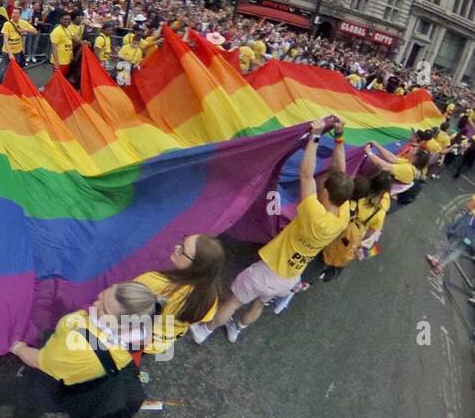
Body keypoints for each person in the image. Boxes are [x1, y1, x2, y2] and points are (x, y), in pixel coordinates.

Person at [191, 118, 351, 342]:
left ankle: (204, 331)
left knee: (234, 301)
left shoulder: (314, 214)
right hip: (289, 277)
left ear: (325, 193)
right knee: (258, 304)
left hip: (268, 271)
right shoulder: (343, 215)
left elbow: (306, 175)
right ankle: (236, 329)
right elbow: (340, 172)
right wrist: (339, 136)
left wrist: (315, 136)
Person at [0, 282, 157, 418]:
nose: (97, 302)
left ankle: (6, 406)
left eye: (104, 309)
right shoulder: (140, 329)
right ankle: (24, 416)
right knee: (42, 401)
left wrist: (16, 346)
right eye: (105, 294)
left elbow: (39, 361)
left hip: (54, 381)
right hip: (80, 381)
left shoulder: (80, 347)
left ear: (122, 325)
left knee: (28, 394)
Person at [134, 234, 225, 355]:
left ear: (196, 266)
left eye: (182, 249)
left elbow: (124, 298)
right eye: (182, 241)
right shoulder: (211, 298)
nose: (177, 247)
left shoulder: (154, 281)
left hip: (133, 336)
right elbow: (201, 319)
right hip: (160, 343)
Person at [319, 172, 390, 282]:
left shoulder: (358, 198)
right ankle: (330, 272)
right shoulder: (380, 211)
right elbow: (370, 233)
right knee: (341, 254)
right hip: (353, 235)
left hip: (341, 226)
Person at [0, 7, 37, 83]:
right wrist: (10, 53)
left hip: (18, 51)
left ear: (20, 14)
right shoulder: (7, 24)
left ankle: (13, 83)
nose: (13, 15)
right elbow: (5, 40)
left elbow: (35, 31)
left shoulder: (23, 22)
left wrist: (25, 30)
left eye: (16, 13)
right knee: (3, 69)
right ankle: (0, 84)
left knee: (16, 68)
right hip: (7, 52)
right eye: (13, 13)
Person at [48, 11, 74, 82]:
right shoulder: (56, 31)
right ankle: (47, 90)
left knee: (62, 79)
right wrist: (56, 62)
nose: (67, 21)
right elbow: (54, 48)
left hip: (67, 60)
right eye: (65, 19)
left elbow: (71, 40)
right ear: (60, 20)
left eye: (69, 19)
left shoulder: (68, 29)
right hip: (60, 62)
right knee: (57, 79)